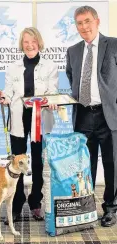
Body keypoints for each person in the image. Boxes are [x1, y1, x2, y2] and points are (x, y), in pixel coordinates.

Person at [0, 27, 58, 224]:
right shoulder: (12, 67)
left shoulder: (50, 66)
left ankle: (35, 203)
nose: (29, 45)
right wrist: (4, 98)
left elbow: (53, 91)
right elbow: (8, 92)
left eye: (33, 41)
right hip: (18, 118)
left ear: (39, 42)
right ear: (21, 44)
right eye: (26, 42)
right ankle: (16, 204)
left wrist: (52, 99)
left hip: (39, 119)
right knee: (16, 164)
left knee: (38, 163)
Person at [66, 6, 117, 227]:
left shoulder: (114, 44)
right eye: (79, 23)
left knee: (112, 163)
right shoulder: (73, 51)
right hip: (84, 114)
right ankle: (86, 207)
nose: (84, 27)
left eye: (87, 21)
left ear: (97, 21)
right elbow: (71, 76)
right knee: (84, 165)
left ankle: (111, 208)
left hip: (110, 115)